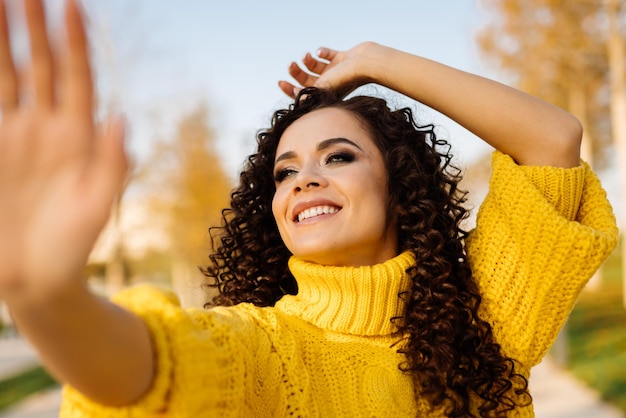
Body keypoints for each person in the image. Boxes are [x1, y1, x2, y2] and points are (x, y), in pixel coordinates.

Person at [0, 1, 618, 417]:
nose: (304, 181)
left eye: (339, 157)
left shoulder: (484, 321)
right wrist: (46, 297)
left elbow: (551, 140)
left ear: (400, 187)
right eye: (285, 172)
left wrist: (377, 62)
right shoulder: (269, 347)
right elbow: (151, 364)